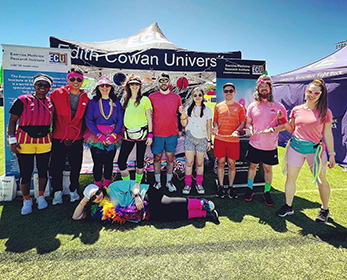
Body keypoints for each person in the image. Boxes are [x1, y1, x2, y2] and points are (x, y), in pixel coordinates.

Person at [276, 78, 336, 223]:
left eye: (316, 92)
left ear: (321, 94)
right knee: (290, 179)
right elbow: (291, 129)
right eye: (309, 91)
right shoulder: (297, 110)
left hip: (314, 151)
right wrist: (282, 119)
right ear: (305, 91)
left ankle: (325, 209)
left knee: (322, 181)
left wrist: (332, 154)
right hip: (296, 148)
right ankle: (288, 206)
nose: (312, 94)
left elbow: (328, 133)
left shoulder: (325, 112)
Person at [7, 73, 53, 215]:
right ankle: (26, 200)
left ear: (49, 88)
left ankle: (40, 197)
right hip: (25, 141)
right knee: (25, 172)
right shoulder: (22, 100)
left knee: (43, 170)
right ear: (34, 85)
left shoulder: (51, 103)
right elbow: (12, 121)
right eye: (39, 84)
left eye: (46, 85)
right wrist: (12, 141)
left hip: (45, 141)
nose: (42, 87)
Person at [72, 180, 219, 224]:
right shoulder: (99, 211)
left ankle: (202, 203)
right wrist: (84, 200)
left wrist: (136, 197)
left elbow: (133, 184)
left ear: (101, 189)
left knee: (167, 203)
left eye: (97, 192)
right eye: (93, 197)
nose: (97, 196)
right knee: (169, 217)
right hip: (142, 213)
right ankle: (204, 214)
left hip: (144, 194)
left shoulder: (112, 187)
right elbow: (76, 217)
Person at [243, 74, 287, 206]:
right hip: (254, 144)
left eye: (266, 87)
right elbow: (248, 123)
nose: (263, 89)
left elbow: (285, 125)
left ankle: (267, 192)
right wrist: (249, 129)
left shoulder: (279, 106)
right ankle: (249, 189)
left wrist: (273, 130)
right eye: (261, 87)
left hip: (270, 146)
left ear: (270, 89)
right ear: (258, 89)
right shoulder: (252, 106)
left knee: (268, 169)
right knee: (252, 167)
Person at [50, 68, 89, 205]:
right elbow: (49, 114)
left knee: (76, 166)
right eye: (72, 79)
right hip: (58, 137)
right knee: (57, 167)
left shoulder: (85, 97)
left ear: (82, 80)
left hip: (76, 138)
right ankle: (57, 193)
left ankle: (74, 191)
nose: (75, 82)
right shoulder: (56, 94)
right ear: (68, 79)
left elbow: (86, 119)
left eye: (79, 79)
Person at [84, 76, 123, 188]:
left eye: (107, 85)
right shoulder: (93, 102)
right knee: (97, 163)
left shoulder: (116, 102)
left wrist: (113, 135)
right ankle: (97, 188)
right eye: (102, 85)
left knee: (109, 163)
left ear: (111, 88)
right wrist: (99, 135)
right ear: (98, 88)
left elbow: (120, 120)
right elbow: (89, 120)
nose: (105, 88)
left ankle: (107, 187)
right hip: (96, 136)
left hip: (113, 136)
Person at [149, 73, 182, 192]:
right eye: (161, 81)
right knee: (157, 158)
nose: (163, 83)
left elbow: (180, 114)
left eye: (165, 81)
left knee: (170, 158)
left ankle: (169, 182)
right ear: (158, 83)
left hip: (172, 134)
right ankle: (157, 182)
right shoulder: (152, 97)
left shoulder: (176, 97)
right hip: (157, 133)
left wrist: (180, 129)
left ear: (169, 82)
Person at [213, 82, 245, 199]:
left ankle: (231, 188)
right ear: (223, 92)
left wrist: (237, 131)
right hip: (220, 140)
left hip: (233, 141)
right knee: (220, 163)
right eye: (226, 91)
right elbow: (215, 121)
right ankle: (221, 187)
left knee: (232, 164)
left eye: (230, 91)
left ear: (234, 92)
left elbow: (242, 123)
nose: (228, 93)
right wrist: (215, 127)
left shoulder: (240, 107)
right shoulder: (218, 106)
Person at [118, 75, 152, 184]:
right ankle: (128, 184)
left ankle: (138, 184)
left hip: (142, 133)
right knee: (121, 161)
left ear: (140, 86)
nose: (134, 86)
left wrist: (150, 134)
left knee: (140, 161)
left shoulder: (145, 99)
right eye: (132, 84)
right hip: (128, 133)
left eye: (136, 84)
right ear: (128, 86)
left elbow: (149, 118)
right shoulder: (125, 100)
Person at [179, 87, 212, 195]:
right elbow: (184, 124)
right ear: (192, 97)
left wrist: (209, 141)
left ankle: (199, 184)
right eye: (195, 95)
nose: (197, 97)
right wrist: (182, 114)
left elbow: (208, 126)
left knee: (200, 163)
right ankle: (187, 184)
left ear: (203, 96)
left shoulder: (207, 110)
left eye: (199, 95)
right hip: (189, 138)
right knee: (189, 163)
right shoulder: (188, 108)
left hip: (202, 139)